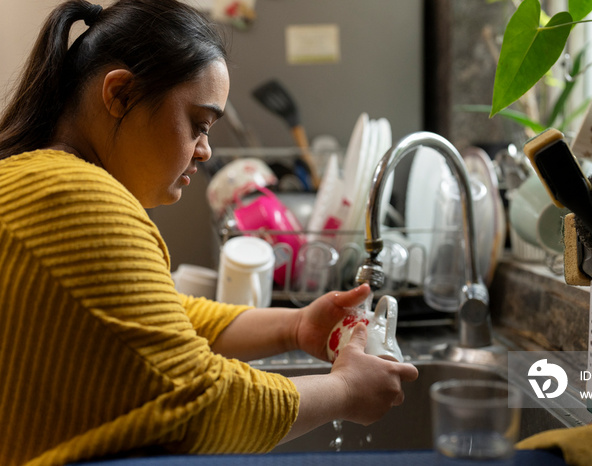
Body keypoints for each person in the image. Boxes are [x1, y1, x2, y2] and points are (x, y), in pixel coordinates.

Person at [0, 1, 419, 464]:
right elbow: (200, 400)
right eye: (198, 124)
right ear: (119, 95)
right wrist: (344, 391)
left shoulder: (33, 181)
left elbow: (159, 320)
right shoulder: (75, 195)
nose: (205, 151)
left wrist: (295, 326)